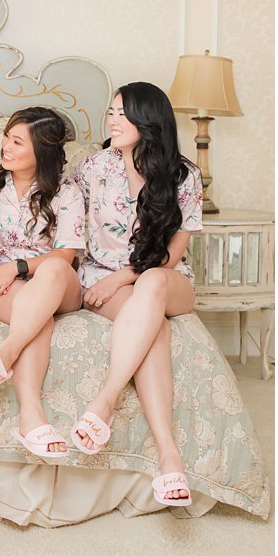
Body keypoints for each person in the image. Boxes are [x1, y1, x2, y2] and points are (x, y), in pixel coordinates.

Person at [68, 83, 203, 507]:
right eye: (110, 112)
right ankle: (169, 455)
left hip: (165, 279)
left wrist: (123, 277)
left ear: (149, 120)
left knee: (151, 284)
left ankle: (104, 401)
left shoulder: (184, 175)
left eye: (122, 114)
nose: (112, 121)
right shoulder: (94, 167)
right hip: (101, 276)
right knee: (154, 333)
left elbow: (171, 254)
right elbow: (67, 221)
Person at [0, 107, 86, 460]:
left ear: (41, 152)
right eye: (7, 136)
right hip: (5, 285)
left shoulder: (67, 193)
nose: (5, 145)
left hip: (58, 283)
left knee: (50, 272)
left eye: (16, 141)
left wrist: (17, 267)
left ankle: (6, 353)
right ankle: (31, 417)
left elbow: (66, 254)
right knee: (38, 318)